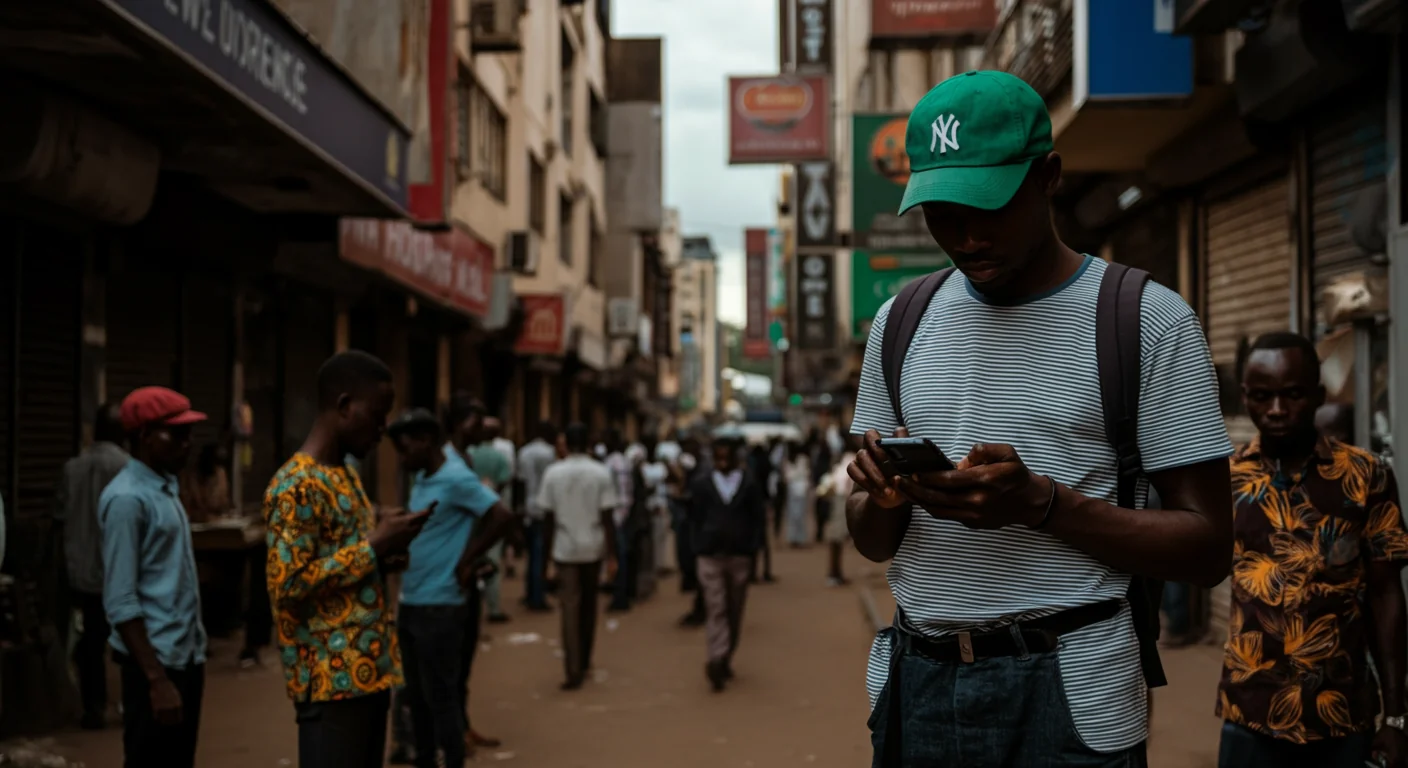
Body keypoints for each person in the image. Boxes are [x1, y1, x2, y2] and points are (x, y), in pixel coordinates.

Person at [846, 71, 1232, 767]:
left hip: (1072, 690)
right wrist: (881, 498)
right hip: (917, 684)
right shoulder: (899, 323)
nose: (964, 235)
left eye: (986, 206)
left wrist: (1044, 505)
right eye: (941, 210)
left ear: (1048, 177)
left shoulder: (1146, 320)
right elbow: (874, 542)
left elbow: (1207, 549)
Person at [1217, 332, 1408, 768]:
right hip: (1250, 713)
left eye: (1293, 395)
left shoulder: (1365, 476)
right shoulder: (1226, 481)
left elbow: (1386, 595)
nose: (1277, 410)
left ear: (1318, 395)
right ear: (1246, 397)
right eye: (1262, 397)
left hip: (1341, 715)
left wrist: (1396, 717)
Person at [265, 351, 431, 768]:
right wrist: (374, 546)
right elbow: (288, 586)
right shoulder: (296, 485)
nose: (383, 429)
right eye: (376, 415)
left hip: (369, 671)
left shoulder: (344, 475)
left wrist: (389, 551)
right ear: (343, 406)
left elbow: (344, 566)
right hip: (330, 681)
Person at [388, 409, 515, 768]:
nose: (401, 456)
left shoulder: (456, 477)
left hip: (441, 604)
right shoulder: (423, 479)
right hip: (412, 599)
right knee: (416, 697)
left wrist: (467, 559)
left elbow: (501, 516)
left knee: (440, 697)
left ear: (426, 441)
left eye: (405, 447)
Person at [99, 387, 210, 767]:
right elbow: (121, 601)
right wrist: (157, 680)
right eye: (176, 434)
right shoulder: (128, 500)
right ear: (145, 436)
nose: (187, 443)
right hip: (157, 666)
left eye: (188, 434)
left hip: (185, 658)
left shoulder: (164, 489)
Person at [54, 402, 128, 730]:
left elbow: (59, 519)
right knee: (128, 639)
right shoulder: (128, 467)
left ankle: (94, 706)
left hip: (80, 573)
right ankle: (129, 702)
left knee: (89, 643)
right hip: (117, 572)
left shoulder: (72, 468)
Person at [440, 392, 503, 751]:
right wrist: (471, 556)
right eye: (477, 421)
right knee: (450, 662)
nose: (484, 428)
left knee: (462, 660)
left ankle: (460, 726)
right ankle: (451, 734)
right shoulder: (450, 463)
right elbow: (497, 516)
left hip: (464, 570)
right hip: (451, 574)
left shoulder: (464, 461)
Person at [537, 423, 619, 690]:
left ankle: (572, 669)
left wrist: (546, 557)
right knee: (589, 608)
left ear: (565, 444)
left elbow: (547, 520)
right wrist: (612, 555)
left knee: (569, 610)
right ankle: (584, 660)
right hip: (592, 548)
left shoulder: (553, 473)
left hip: (565, 549)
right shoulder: (601, 473)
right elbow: (608, 518)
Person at [688, 435, 766, 691]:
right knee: (716, 607)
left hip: (740, 557)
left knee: (734, 609)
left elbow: (758, 520)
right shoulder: (701, 484)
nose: (722, 461)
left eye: (726, 456)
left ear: (736, 457)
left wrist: (753, 551)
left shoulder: (749, 483)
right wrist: (698, 546)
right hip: (710, 556)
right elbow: (694, 518)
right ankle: (715, 658)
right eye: (718, 456)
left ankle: (726, 654)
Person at [467, 416, 513, 624]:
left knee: (470, 554)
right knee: (492, 558)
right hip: (492, 512)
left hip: (470, 512)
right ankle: (493, 608)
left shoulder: (470, 454)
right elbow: (504, 482)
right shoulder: (499, 456)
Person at [517, 421, 559, 612]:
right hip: (545, 507)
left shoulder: (525, 452)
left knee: (532, 554)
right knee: (540, 554)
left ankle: (530, 592)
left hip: (529, 506)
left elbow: (521, 481)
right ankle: (537, 596)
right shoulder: (550, 453)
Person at [604, 430, 635, 612]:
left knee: (618, 556)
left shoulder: (613, 463)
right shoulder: (623, 461)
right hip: (621, 514)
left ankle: (620, 596)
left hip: (616, 515)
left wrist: (617, 517)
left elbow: (621, 493)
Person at [822, 436, 858, 586]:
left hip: (839, 498)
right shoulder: (852, 458)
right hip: (842, 499)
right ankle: (834, 574)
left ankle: (835, 573)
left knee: (836, 540)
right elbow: (847, 482)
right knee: (836, 538)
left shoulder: (843, 458)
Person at [746, 443, 776, 583]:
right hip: (760, 502)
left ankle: (752, 572)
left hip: (751, 504)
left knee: (753, 540)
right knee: (762, 541)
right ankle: (765, 571)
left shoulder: (748, 463)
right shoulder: (764, 462)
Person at [178, 443, 230, 523]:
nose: (214, 466)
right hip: (193, 521)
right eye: (211, 461)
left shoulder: (220, 473)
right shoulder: (189, 476)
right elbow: (185, 501)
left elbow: (222, 500)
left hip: (216, 521)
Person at [784, 443, 812, 547]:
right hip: (799, 489)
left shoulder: (793, 460)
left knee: (793, 515)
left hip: (795, 488)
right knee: (798, 515)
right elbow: (806, 474)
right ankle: (798, 538)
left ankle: (795, 538)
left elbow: (788, 476)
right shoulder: (802, 459)